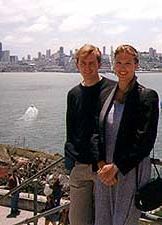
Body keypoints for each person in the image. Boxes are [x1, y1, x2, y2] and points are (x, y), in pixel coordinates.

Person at [94, 44, 159, 225]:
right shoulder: (105, 95)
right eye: (119, 63)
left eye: (128, 63)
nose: (123, 68)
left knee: (123, 221)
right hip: (104, 171)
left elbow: (145, 140)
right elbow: (96, 132)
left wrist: (116, 167)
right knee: (102, 220)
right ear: (113, 65)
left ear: (136, 65)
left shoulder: (147, 96)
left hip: (129, 171)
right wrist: (101, 165)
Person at [64, 44, 116, 225]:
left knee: (104, 220)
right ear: (77, 65)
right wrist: (70, 163)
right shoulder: (73, 94)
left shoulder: (113, 89)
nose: (87, 67)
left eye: (92, 63)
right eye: (83, 63)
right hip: (79, 167)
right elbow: (71, 130)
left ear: (99, 64)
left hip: (104, 167)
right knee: (77, 220)